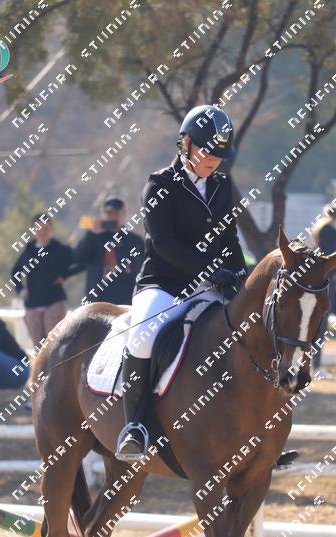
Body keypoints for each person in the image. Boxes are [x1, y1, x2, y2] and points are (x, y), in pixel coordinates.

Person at [115, 104, 248, 460]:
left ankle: (258, 430)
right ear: (185, 144)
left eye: (220, 155)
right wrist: (209, 270)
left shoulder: (222, 186)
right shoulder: (159, 185)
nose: (214, 160)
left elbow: (230, 239)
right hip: (164, 284)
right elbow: (163, 243)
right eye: (207, 151)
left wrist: (242, 277)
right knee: (143, 335)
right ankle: (135, 426)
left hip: (211, 287)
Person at [11, 216, 74, 346]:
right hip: (33, 303)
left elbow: (80, 262)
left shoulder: (59, 249)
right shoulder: (28, 250)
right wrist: (20, 290)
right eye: (38, 229)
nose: (41, 232)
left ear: (51, 229)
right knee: (38, 346)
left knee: (53, 343)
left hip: (54, 301)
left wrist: (64, 275)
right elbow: (15, 271)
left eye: (45, 228)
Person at [72, 196, 144, 305]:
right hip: (97, 299)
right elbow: (78, 257)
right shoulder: (94, 238)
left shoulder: (135, 240)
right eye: (109, 214)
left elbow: (142, 269)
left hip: (127, 298)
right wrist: (91, 234)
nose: (113, 217)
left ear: (124, 214)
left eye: (116, 214)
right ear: (104, 216)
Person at [311, 205, 336, 378]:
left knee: (333, 322)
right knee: (327, 324)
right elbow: (334, 258)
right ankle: (321, 366)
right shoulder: (332, 231)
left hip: (323, 283)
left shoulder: (319, 230)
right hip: (329, 285)